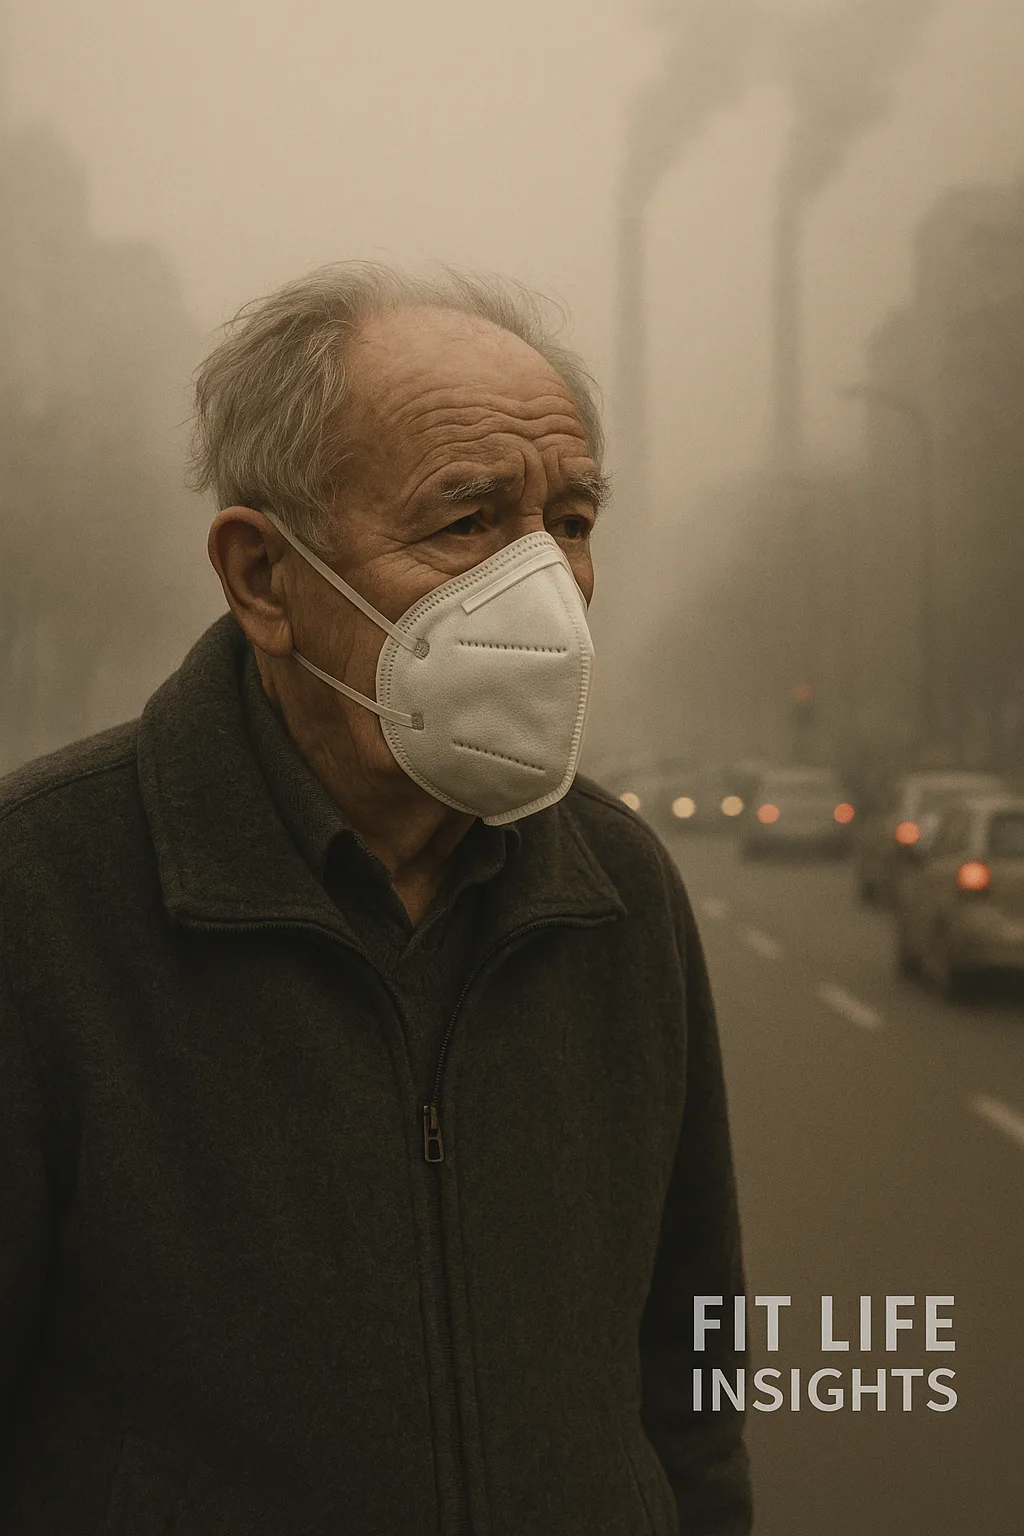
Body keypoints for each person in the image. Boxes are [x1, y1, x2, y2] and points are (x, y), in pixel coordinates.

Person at [0, 262, 752, 1534]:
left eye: (570, 521)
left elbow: (690, 1374)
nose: (548, 593)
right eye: (465, 522)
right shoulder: (41, 897)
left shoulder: (619, 888)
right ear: (262, 579)